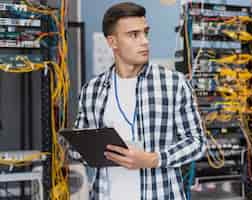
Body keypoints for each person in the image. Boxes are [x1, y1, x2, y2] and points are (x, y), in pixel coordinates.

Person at [74, 2, 206, 200]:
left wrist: (154, 159)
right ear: (113, 42)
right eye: (133, 35)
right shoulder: (92, 89)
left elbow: (197, 143)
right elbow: (80, 149)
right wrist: (76, 147)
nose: (144, 41)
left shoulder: (173, 83)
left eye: (146, 32)